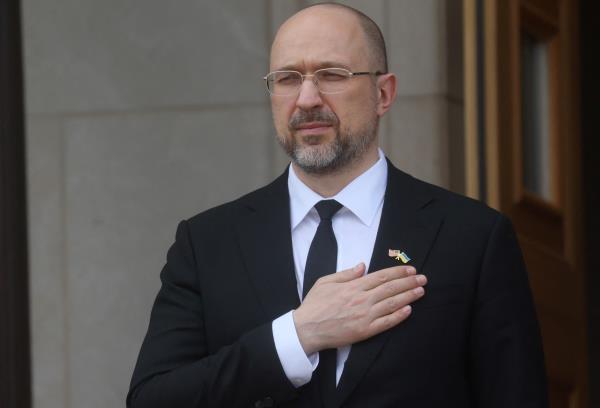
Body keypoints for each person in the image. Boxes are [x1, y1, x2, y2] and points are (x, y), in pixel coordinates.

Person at [127, 3, 548, 407]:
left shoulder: (472, 236)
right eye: (288, 78)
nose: (307, 98)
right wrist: (297, 335)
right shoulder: (207, 244)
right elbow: (154, 398)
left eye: (331, 74)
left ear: (384, 93)